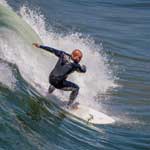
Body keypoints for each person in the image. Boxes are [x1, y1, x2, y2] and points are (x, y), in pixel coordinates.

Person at [32, 43, 86, 107]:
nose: (79, 59)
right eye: (79, 57)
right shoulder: (76, 65)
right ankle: (69, 105)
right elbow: (83, 71)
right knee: (76, 88)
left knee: (62, 76)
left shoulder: (62, 54)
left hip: (50, 78)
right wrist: (84, 67)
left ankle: (49, 93)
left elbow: (52, 50)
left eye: (80, 58)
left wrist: (40, 46)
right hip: (57, 83)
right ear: (75, 56)